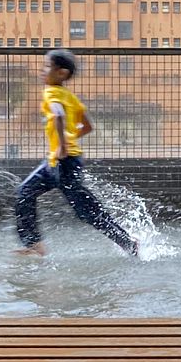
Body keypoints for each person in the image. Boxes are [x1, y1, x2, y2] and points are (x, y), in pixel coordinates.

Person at [14, 49, 138, 256]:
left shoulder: (51, 91)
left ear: (61, 73)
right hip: (57, 161)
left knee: (85, 209)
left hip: (65, 161)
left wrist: (62, 144)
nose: (43, 71)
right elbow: (88, 126)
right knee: (25, 192)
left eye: (47, 66)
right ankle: (33, 245)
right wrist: (67, 140)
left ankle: (127, 242)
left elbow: (58, 114)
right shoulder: (70, 97)